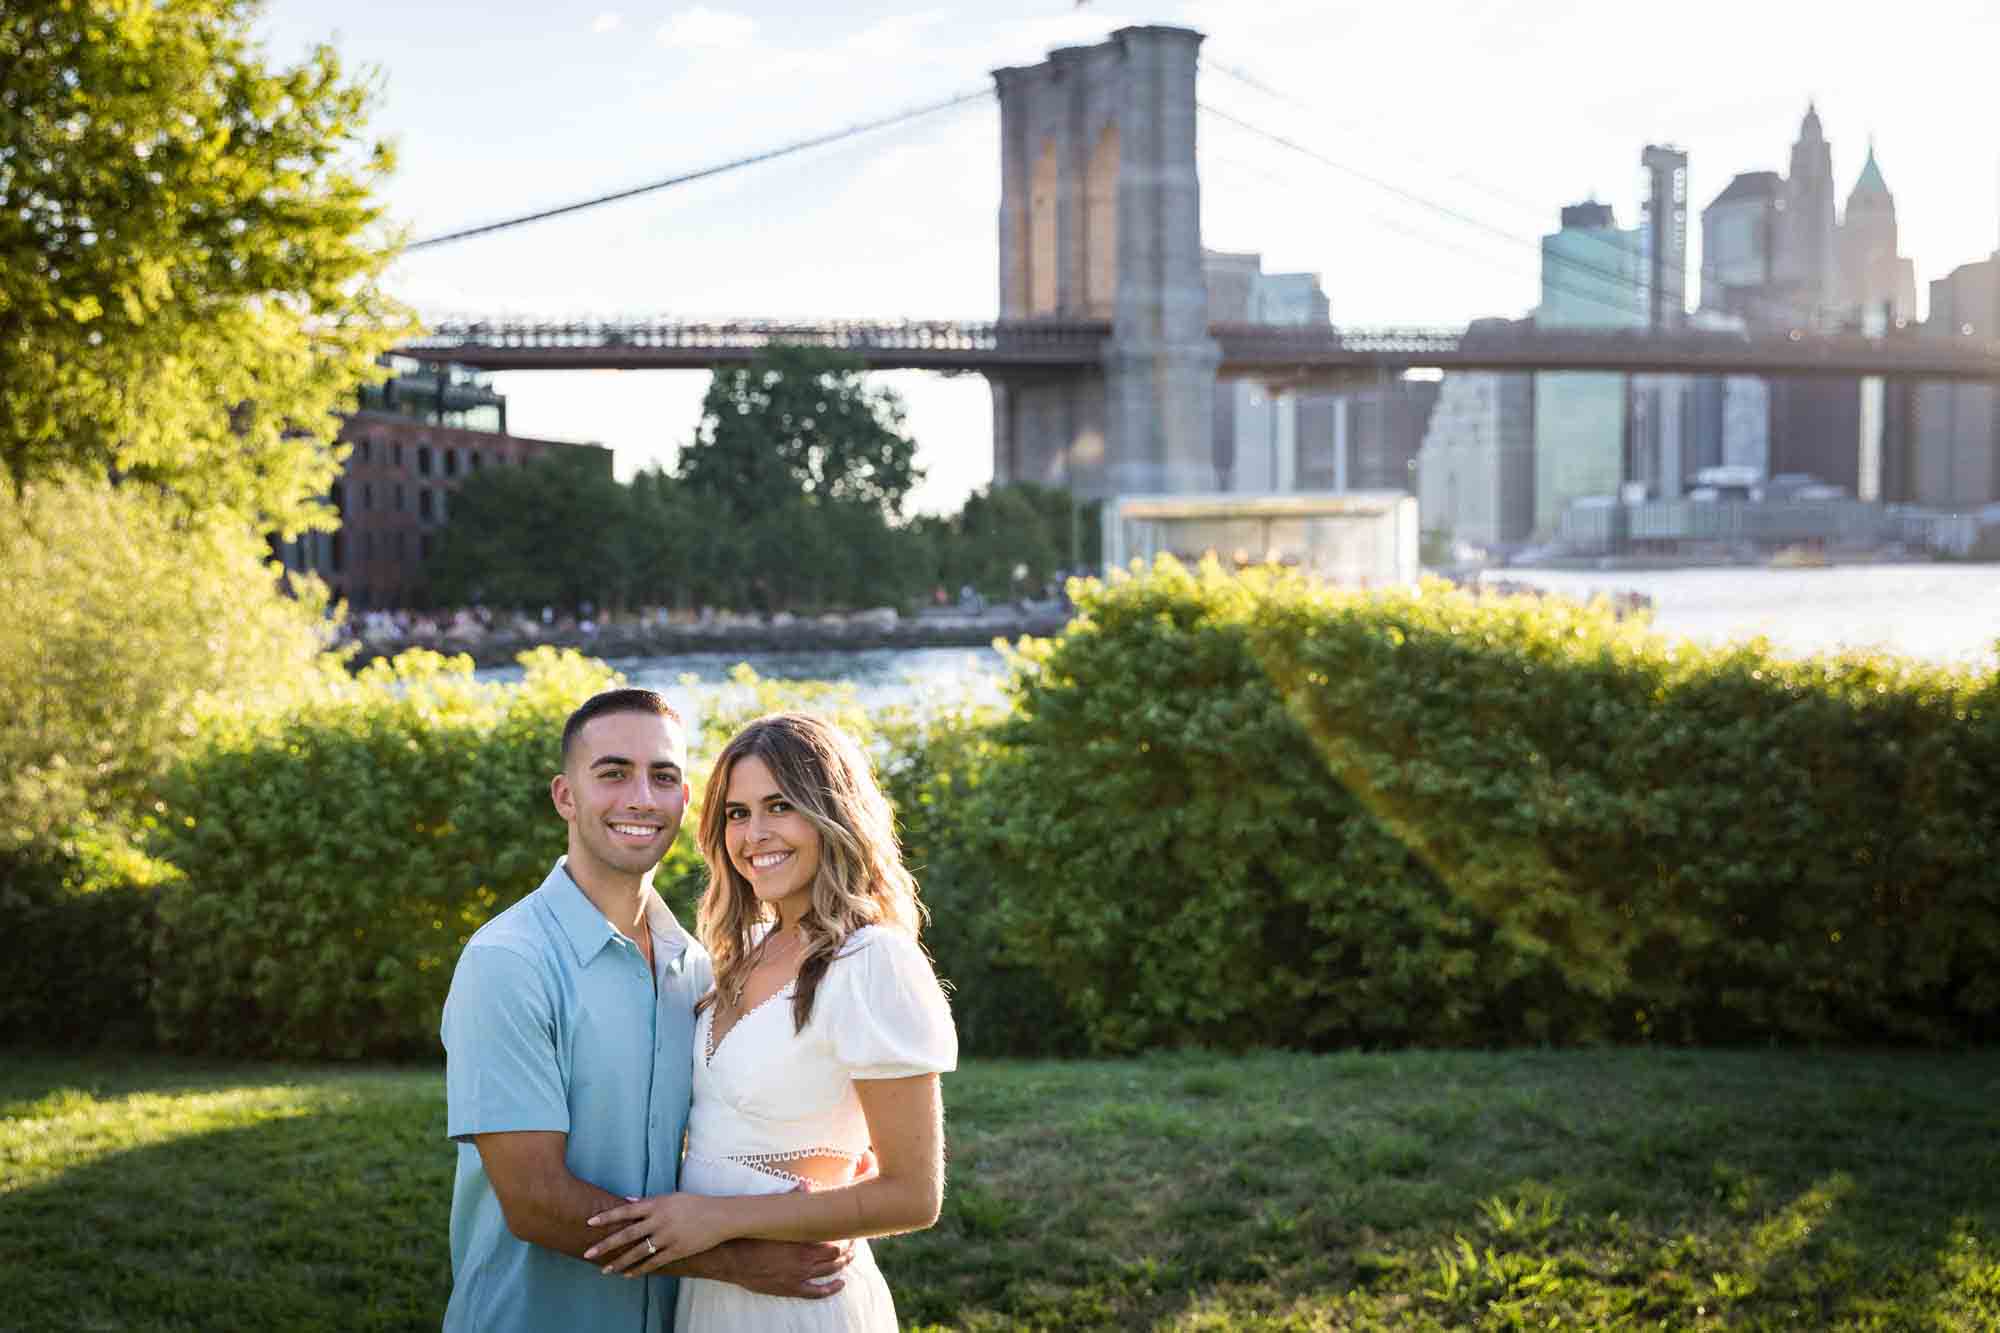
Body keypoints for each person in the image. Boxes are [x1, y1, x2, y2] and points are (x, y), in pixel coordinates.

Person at [440, 689, 854, 1333]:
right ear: (565, 797)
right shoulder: (508, 962)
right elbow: (534, 1203)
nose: (641, 798)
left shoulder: (698, 967)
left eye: (662, 777)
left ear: (685, 801)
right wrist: (737, 1263)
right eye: (613, 773)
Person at [583, 711, 958, 1331]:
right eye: (737, 813)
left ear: (831, 813)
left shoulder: (872, 960)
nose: (754, 834)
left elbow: (914, 1198)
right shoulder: (743, 951)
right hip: (713, 1296)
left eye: (780, 806)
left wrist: (718, 1217)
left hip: (801, 1303)